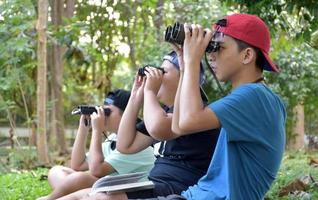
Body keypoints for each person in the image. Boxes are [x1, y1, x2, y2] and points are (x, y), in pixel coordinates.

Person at [60, 51, 220, 200]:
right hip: (156, 183)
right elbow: (125, 145)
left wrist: (149, 92)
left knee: (102, 197)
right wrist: (136, 95)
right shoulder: (164, 112)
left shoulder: (195, 112)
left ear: (183, 78)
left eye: (163, 72)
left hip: (181, 188)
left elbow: (159, 127)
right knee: (84, 195)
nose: (158, 77)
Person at [169, 13, 286, 200]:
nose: (212, 55)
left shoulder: (255, 96)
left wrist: (193, 62)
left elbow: (187, 122)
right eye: (210, 47)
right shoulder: (254, 96)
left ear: (247, 55)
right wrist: (184, 67)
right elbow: (177, 127)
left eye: (219, 47)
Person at [38, 89, 155, 200]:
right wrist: (83, 129)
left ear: (127, 116)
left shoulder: (137, 144)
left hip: (121, 188)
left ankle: (51, 197)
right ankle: (71, 189)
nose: (102, 116)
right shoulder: (114, 138)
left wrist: (96, 130)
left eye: (107, 112)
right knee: (56, 171)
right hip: (105, 183)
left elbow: (96, 170)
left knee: (79, 178)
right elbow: (77, 165)